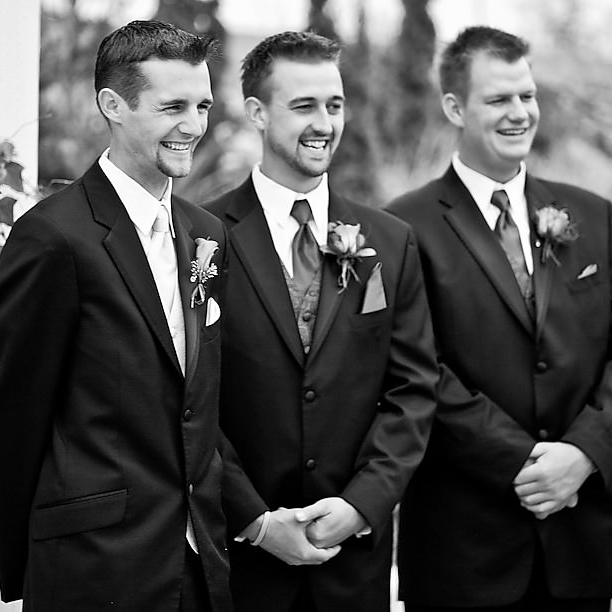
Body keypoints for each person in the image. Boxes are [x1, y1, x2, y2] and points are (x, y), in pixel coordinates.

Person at [386, 26, 612, 612]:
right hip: (464, 546)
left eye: (527, 96)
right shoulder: (404, 228)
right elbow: (418, 369)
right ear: (455, 106)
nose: (520, 113)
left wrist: (582, 454)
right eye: (499, 99)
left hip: (579, 537)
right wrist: (526, 464)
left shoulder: (591, 215)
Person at [0, 20, 232, 611]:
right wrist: (31, 564)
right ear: (112, 105)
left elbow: (200, 406)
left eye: (202, 106)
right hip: (93, 569)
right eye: (173, 107)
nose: (193, 125)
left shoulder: (205, 234)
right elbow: (13, 413)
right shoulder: (52, 237)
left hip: (200, 567)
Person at [205, 31, 438, 612]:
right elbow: (188, 397)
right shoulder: (202, 238)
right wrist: (255, 518)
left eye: (334, 105)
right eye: (304, 106)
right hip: (243, 562)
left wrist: (362, 503)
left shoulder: (390, 242)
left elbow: (413, 390)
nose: (325, 123)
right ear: (257, 113)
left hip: (353, 567)